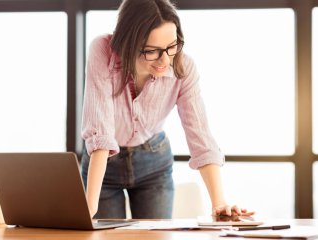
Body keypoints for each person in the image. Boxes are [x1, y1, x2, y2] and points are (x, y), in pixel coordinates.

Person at [81, 0, 255, 219]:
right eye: (152, 51)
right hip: (103, 166)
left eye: (172, 46)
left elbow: (200, 135)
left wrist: (219, 202)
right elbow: (100, 131)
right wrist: (89, 207)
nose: (165, 60)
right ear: (129, 43)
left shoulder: (184, 67)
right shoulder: (103, 50)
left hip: (154, 162)